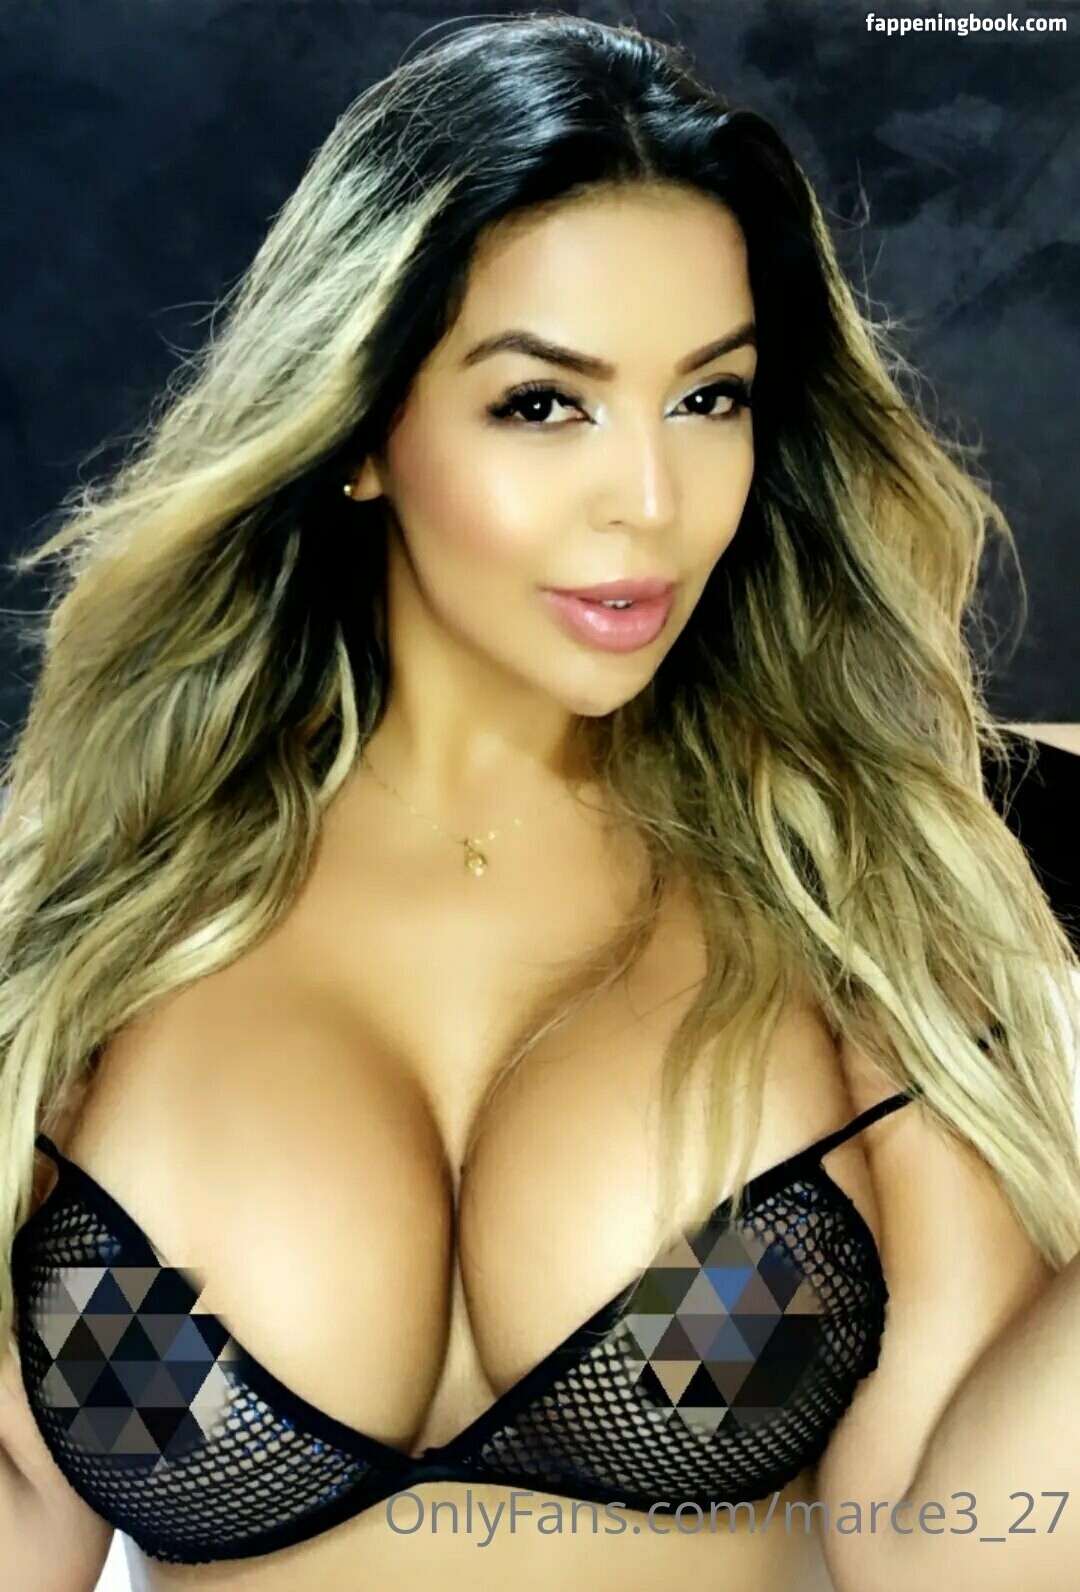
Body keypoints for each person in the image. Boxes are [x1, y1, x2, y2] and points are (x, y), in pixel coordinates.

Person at [1, 15, 1078, 1592]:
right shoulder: (96, 904)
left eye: (709, 399)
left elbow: (955, 1553)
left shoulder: (848, 880)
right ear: (361, 434)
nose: (651, 500)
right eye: (543, 404)